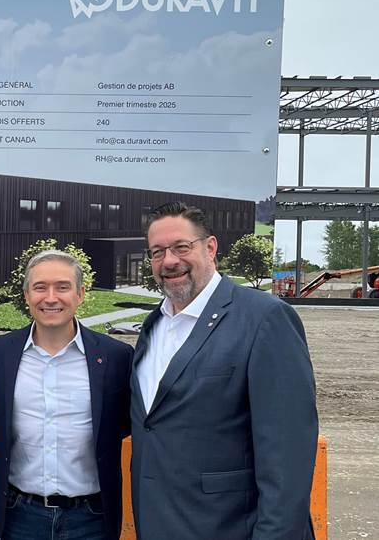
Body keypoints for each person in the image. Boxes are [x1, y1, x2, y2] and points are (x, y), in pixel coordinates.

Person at [131, 201, 318, 540]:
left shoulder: (265, 319)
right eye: (157, 252)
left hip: (230, 529)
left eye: (181, 247)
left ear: (211, 247)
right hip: (159, 523)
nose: (169, 261)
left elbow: (287, 456)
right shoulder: (153, 327)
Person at [0, 250, 133, 540]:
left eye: (62, 287)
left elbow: (129, 422)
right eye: (40, 287)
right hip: (18, 515)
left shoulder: (116, 356)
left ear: (80, 294)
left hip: (91, 518)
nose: (51, 297)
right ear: (27, 295)